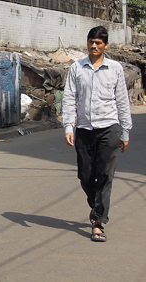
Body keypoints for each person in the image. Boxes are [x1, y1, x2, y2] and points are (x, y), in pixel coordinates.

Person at [62, 25, 131, 243]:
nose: (94, 45)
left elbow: (122, 101)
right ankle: (95, 205)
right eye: (91, 42)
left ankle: (99, 222)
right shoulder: (77, 68)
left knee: (105, 176)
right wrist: (67, 126)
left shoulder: (115, 68)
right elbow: (68, 98)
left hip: (109, 128)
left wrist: (125, 131)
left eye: (98, 42)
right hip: (84, 129)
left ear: (105, 45)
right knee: (85, 175)